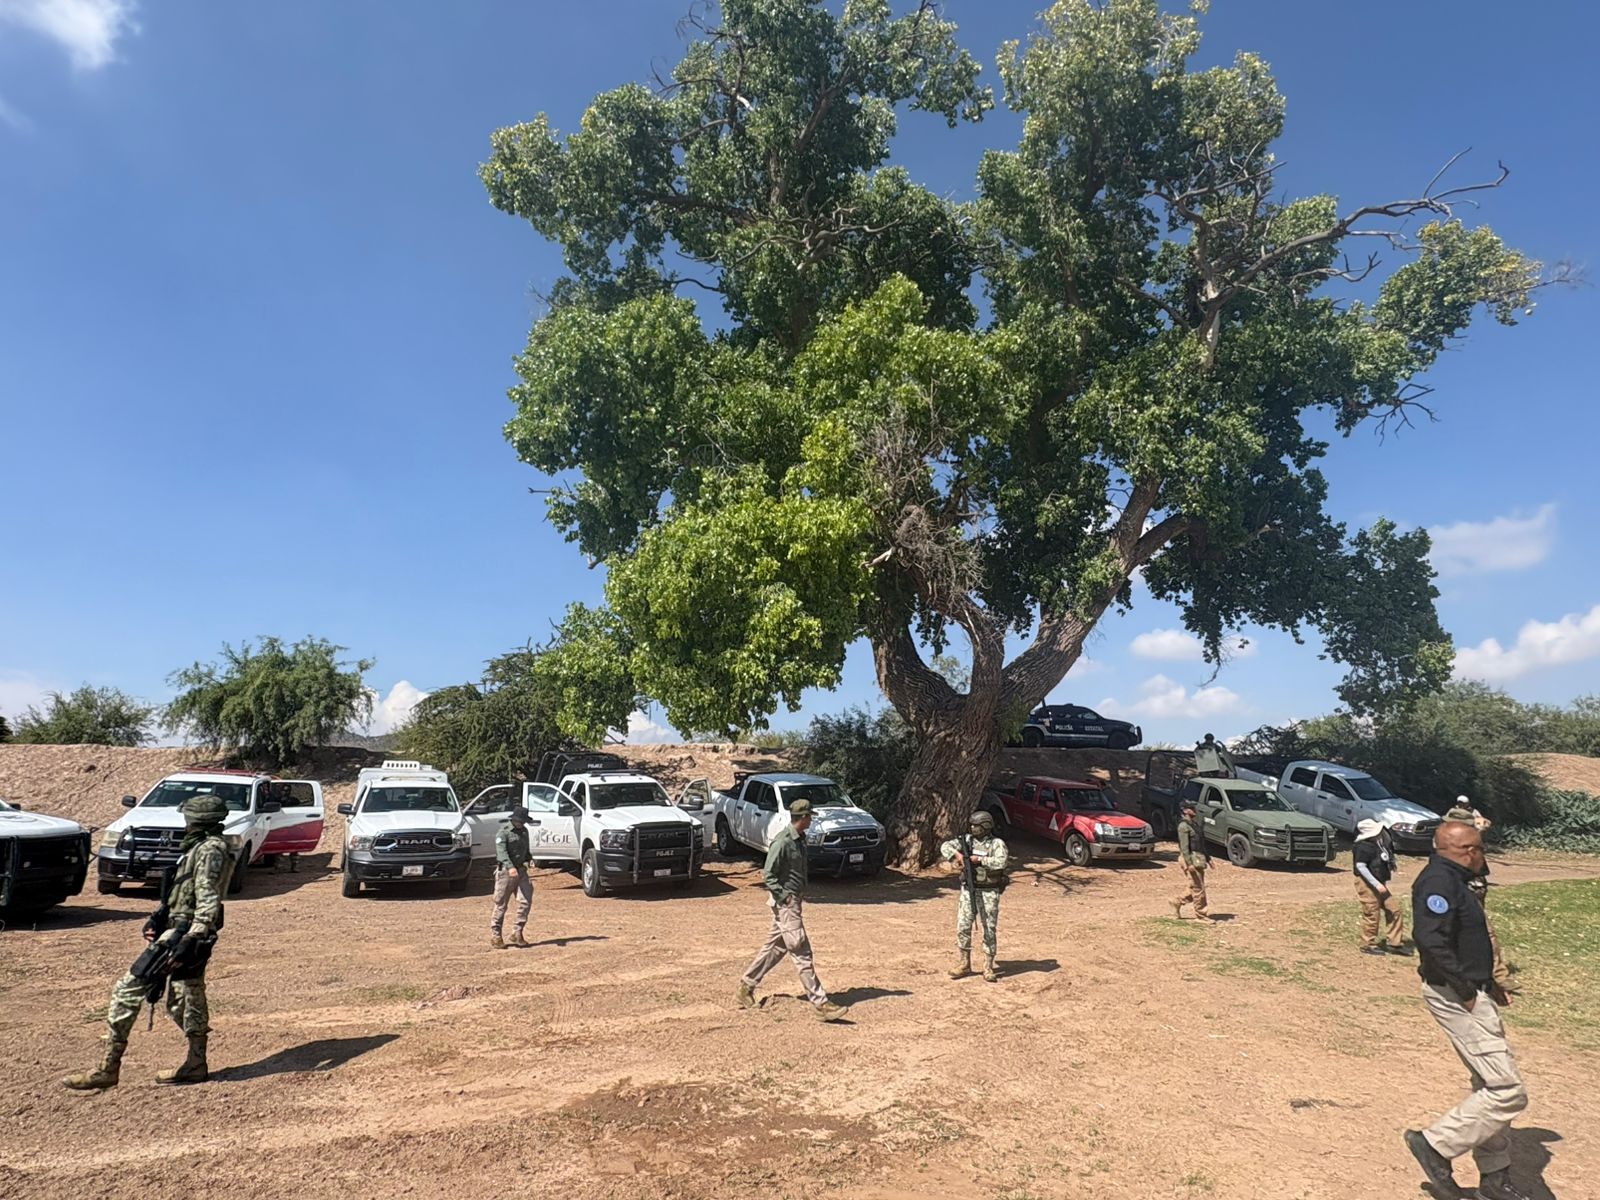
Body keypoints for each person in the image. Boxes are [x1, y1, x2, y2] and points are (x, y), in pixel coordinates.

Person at [63, 794, 232, 1090]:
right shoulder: (198, 846)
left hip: (184, 934)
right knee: (184, 999)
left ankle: (108, 1068)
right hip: (181, 929)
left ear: (198, 820)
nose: (185, 822)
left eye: (188, 817)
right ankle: (195, 1064)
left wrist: (193, 937)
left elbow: (208, 896)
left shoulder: (209, 849)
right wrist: (159, 917)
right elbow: (184, 891)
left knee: (127, 990)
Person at [1403, 822, 1531, 1200]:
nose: (1482, 855)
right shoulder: (1438, 882)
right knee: (1507, 1090)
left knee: (1488, 1085)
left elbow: (1468, 941)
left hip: (1473, 990)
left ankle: (1495, 1179)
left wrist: (1489, 984)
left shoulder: (1457, 880)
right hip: (1455, 996)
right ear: (1466, 851)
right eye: (1478, 848)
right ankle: (1435, 1144)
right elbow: (1430, 941)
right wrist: (1466, 992)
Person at [736, 798, 847, 1022]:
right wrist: (784, 897)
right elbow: (768, 874)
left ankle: (746, 986)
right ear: (803, 817)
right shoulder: (783, 841)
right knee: (801, 951)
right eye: (810, 817)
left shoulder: (800, 839)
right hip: (787, 905)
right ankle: (820, 1004)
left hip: (792, 903)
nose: (811, 820)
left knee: (776, 948)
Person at [1445, 803, 1514, 994]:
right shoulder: (1448, 846)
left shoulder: (1471, 844)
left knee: (1485, 932)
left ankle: (1498, 975)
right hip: (1459, 894)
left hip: (1474, 891)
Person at [939, 809, 1009, 982]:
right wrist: (958, 855)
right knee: (963, 926)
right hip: (968, 890)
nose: (972, 828)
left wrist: (980, 860)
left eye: (976, 825)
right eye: (971, 825)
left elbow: (1001, 862)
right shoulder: (966, 841)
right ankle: (964, 963)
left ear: (985, 826)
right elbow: (944, 846)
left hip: (989, 891)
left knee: (989, 928)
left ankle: (988, 966)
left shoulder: (996, 844)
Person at [1353, 818, 1409, 956]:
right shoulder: (1363, 847)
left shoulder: (1378, 844)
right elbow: (1361, 867)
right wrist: (1377, 884)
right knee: (1372, 913)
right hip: (1367, 884)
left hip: (1379, 883)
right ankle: (1367, 944)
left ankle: (1394, 943)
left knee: (1394, 910)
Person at [490, 807, 534, 950]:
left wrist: (529, 859)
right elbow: (501, 853)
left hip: (521, 871)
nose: (521, 824)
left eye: (523, 821)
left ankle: (517, 932)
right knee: (501, 904)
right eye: (520, 821)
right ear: (514, 819)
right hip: (506, 872)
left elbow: (525, 850)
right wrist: (510, 867)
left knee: (525, 901)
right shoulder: (503, 833)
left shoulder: (524, 831)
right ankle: (496, 935)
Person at [1170, 796, 1212, 921]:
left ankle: (1177, 901)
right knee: (1199, 888)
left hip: (1198, 857)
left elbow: (1200, 843)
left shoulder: (1194, 825)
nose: (1194, 810)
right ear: (1185, 811)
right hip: (1190, 858)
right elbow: (1184, 847)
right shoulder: (1183, 826)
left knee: (1194, 886)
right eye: (1191, 808)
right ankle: (1201, 915)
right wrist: (1189, 863)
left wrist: (1208, 859)